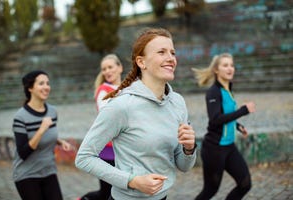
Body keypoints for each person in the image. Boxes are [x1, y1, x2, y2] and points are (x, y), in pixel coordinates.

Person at [75, 27, 197, 200]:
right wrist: (132, 181)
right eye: (161, 52)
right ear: (141, 62)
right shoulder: (121, 106)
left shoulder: (178, 102)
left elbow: (184, 166)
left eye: (172, 52)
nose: (170, 58)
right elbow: (84, 157)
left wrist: (189, 149)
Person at [192, 53, 256, 200]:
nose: (230, 68)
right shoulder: (213, 92)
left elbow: (226, 115)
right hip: (214, 149)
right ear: (216, 70)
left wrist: (238, 126)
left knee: (245, 184)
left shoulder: (228, 89)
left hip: (229, 147)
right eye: (225, 65)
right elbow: (215, 120)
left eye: (232, 65)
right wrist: (243, 110)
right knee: (210, 191)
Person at [12, 70, 74, 200]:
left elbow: (48, 135)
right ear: (30, 88)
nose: (46, 87)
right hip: (27, 175)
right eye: (41, 83)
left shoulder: (52, 111)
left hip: (49, 171)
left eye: (47, 83)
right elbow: (23, 152)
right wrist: (41, 129)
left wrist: (60, 142)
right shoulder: (20, 117)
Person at [79, 54, 123, 200]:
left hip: (123, 148)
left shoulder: (128, 87)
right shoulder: (103, 90)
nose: (107, 71)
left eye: (110, 67)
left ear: (120, 68)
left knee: (121, 190)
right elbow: (108, 116)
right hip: (107, 149)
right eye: (104, 69)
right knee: (106, 193)